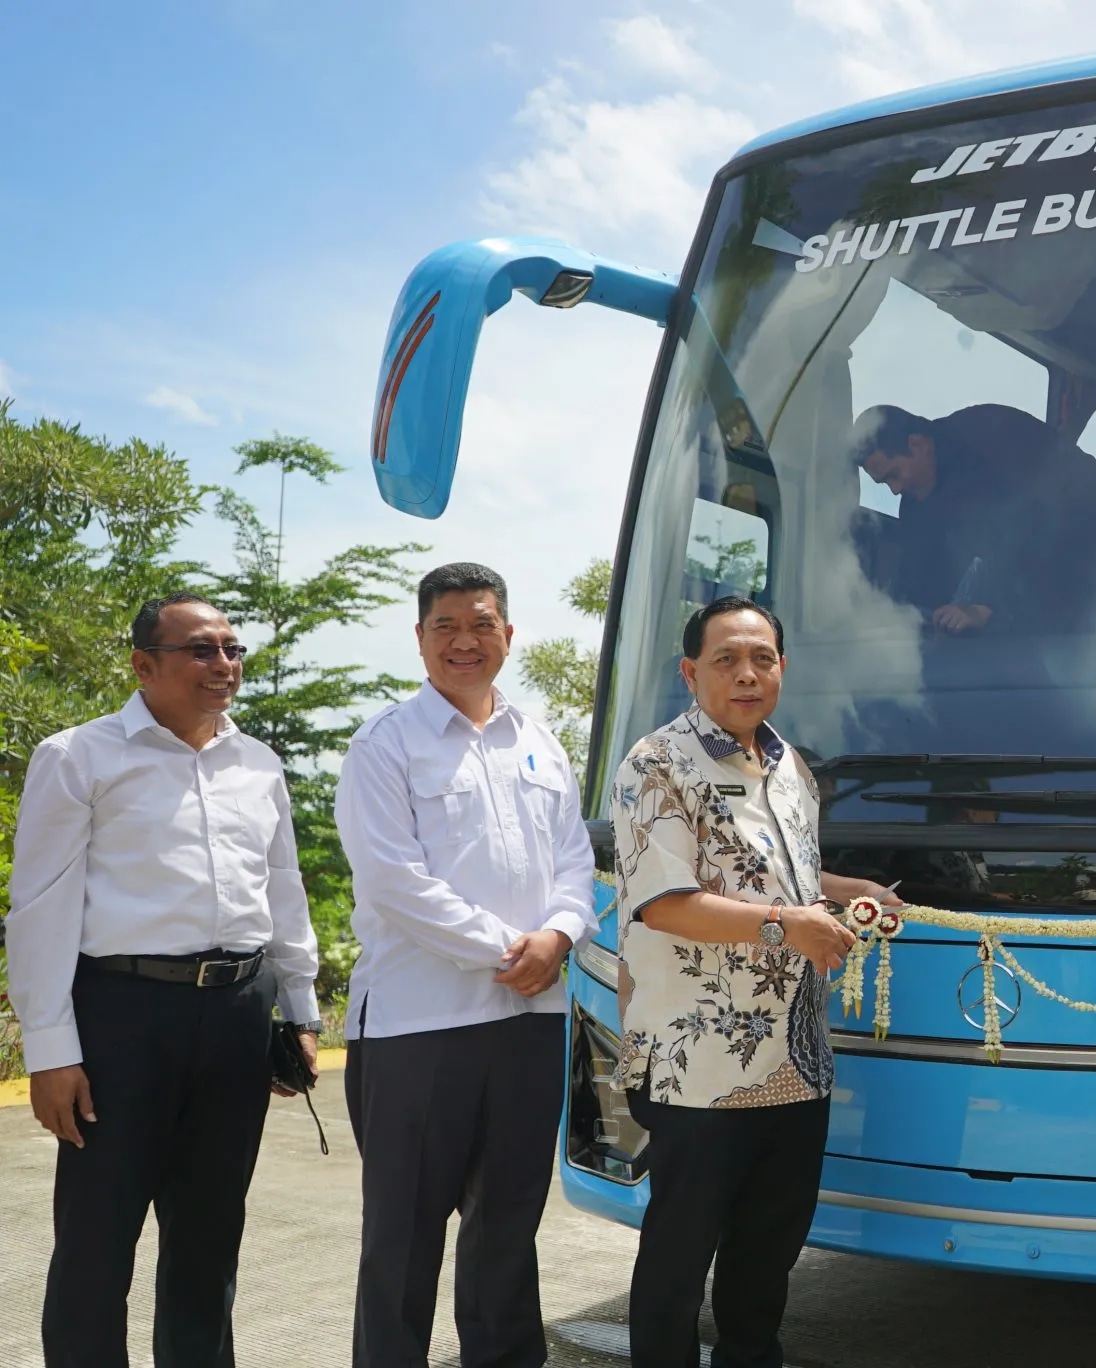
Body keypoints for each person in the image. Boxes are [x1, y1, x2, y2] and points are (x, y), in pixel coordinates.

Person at [8, 592, 321, 1368]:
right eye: (201, 650)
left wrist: (300, 1007)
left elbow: (283, 889)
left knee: (210, 1242)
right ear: (143, 666)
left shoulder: (258, 764)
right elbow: (40, 910)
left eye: (232, 649)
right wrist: (50, 1050)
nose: (224, 665)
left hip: (237, 1014)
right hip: (121, 1017)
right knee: (96, 1243)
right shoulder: (78, 757)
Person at [609, 595, 900, 1368]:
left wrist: (848, 891)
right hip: (698, 1068)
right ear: (690, 672)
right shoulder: (656, 764)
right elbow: (665, 903)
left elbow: (781, 873)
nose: (746, 674)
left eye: (761, 659)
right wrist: (786, 925)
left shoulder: (791, 766)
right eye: (726, 659)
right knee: (679, 1258)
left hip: (795, 1063)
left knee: (767, 1259)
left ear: (782, 668)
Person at [335, 562, 597, 1368]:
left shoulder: (540, 744)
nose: (464, 641)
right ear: (419, 639)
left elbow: (575, 862)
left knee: (509, 1230)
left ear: (508, 635)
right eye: (445, 625)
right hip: (419, 1026)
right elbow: (394, 881)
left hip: (529, 1020)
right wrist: (512, 950)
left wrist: (560, 934)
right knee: (403, 1238)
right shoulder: (385, 745)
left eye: (481, 624)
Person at [849, 402, 1096, 635]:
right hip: (1042, 574)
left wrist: (985, 608)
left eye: (894, 475)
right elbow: (921, 579)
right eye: (885, 483)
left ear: (917, 445)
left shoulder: (990, 436)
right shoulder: (918, 500)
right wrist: (892, 622)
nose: (895, 489)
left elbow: (1036, 523)